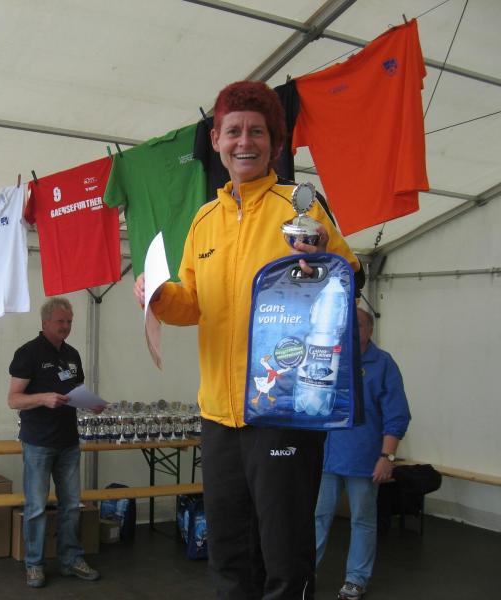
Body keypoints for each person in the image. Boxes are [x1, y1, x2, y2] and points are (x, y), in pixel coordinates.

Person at [134, 80, 362, 599]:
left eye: (256, 132)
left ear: (275, 144)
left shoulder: (302, 209)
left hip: (283, 410)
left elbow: (350, 278)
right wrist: (159, 296)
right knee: (229, 552)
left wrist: (326, 263)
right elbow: (192, 304)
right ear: (216, 140)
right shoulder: (204, 220)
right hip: (219, 414)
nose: (244, 142)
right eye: (233, 131)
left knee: (283, 553)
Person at [315, 307, 411, 600]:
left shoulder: (383, 365)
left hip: (364, 460)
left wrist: (387, 458)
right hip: (327, 457)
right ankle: (305, 571)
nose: (351, 331)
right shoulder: (330, 358)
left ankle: (356, 579)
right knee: (317, 517)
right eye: (346, 325)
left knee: (362, 520)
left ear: (370, 330)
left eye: (357, 325)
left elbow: (397, 415)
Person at [7, 297, 100, 588]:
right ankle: (34, 564)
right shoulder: (28, 353)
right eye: (61, 321)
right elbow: (13, 399)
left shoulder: (72, 354)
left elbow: (76, 390)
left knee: (71, 505)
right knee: (36, 506)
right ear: (45, 322)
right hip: (38, 442)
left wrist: (92, 402)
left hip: (68, 441)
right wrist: (42, 398)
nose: (66, 326)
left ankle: (71, 559)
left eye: (69, 321)